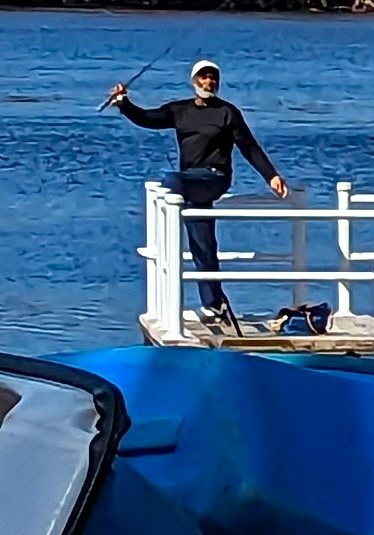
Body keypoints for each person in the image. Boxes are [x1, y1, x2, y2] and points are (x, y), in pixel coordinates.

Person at [110, 57, 292, 333]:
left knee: (170, 180)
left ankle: (214, 300)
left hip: (215, 178)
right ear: (194, 81)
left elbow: (249, 146)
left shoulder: (227, 113)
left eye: (213, 78)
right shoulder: (179, 110)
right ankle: (214, 303)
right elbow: (147, 118)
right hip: (191, 182)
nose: (209, 82)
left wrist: (271, 175)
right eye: (204, 77)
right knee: (202, 243)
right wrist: (124, 103)